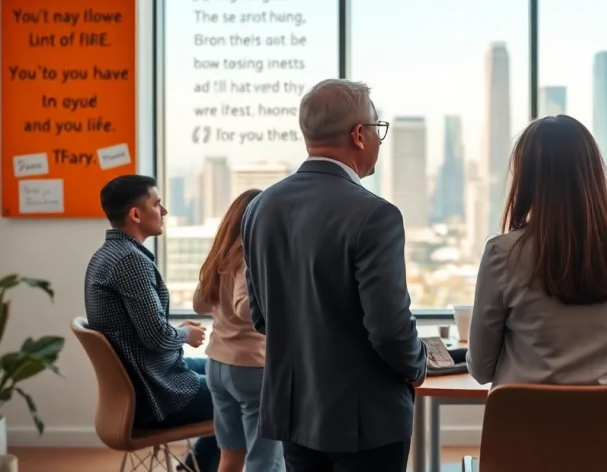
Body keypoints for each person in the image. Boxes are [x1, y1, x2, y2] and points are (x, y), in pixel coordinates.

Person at [241, 79, 427, 472]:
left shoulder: (260, 207)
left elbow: (261, 316)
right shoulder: (376, 214)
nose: (379, 140)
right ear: (359, 135)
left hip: (294, 411)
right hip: (366, 421)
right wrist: (417, 366)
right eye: (377, 129)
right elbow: (389, 328)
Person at [467, 115, 607, 387]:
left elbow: (481, 368)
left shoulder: (503, 253)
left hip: (527, 426)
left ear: (527, 179)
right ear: (594, 173)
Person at [84, 174, 219, 472]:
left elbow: (148, 331)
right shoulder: (129, 261)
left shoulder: (105, 256)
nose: (164, 211)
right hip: (158, 392)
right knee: (245, 395)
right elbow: (156, 338)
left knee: (225, 371)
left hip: (150, 376)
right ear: (135, 214)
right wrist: (185, 334)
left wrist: (180, 334)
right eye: (157, 204)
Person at [192, 189, 284, 472]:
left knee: (230, 456)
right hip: (252, 367)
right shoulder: (250, 255)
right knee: (264, 461)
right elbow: (245, 307)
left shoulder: (220, 256)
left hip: (218, 366)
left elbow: (198, 304)